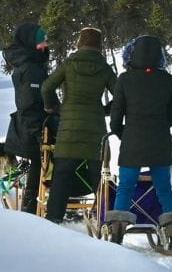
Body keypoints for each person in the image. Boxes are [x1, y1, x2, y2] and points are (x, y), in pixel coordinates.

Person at [105, 35, 172, 253]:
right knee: (164, 189)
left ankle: (117, 234)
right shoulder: (167, 80)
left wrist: (122, 132)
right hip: (160, 141)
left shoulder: (125, 79)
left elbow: (116, 114)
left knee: (125, 187)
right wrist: (161, 126)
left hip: (133, 141)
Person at [41, 27, 116, 224]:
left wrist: (53, 107)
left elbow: (47, 87)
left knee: (62, 176)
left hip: (68, 130)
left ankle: (53, 219)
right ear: (99, 46)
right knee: (97, 177)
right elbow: (122, 96)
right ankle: (104, 218)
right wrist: (105, 110)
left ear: (79, 43)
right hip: (95, 130)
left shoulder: (69, 64)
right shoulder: (105, 68)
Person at [2, 21, 52, 214]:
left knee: (41, 164)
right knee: (39, 164)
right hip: (31, 127)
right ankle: (30, 208)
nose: (45, 45)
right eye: (42, 42)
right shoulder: (30, 69)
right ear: (32, 43)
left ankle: (34, 203)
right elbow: (28, 103)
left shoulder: (33, 64)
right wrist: (36, 131)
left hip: (35, 125)